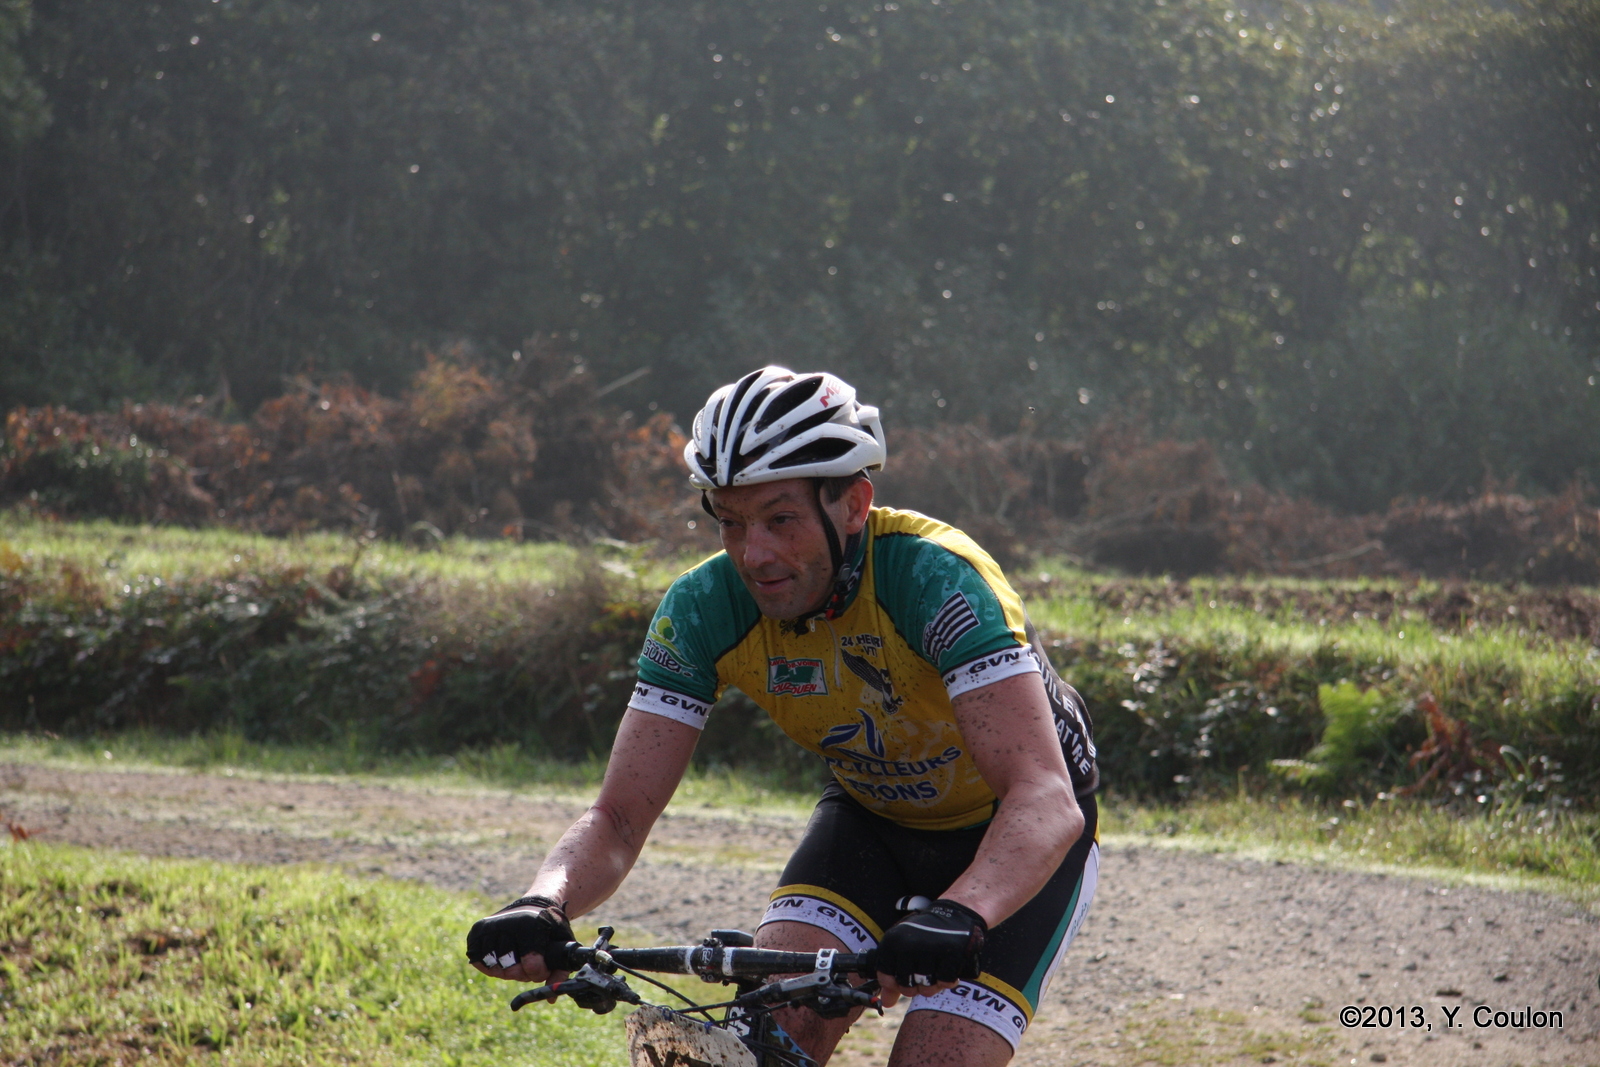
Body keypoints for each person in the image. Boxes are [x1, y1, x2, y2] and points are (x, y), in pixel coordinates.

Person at [467, 367, 1099, 1066]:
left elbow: (1044, 797)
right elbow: (618, 816)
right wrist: (543, 902)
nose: (753, 554)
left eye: (780, 519)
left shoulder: (936, 580)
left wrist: (962, 911)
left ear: (853, 504)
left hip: (1014, 839)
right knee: (763, 1045)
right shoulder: (703, 609)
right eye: (730, 522)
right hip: (869, 824)